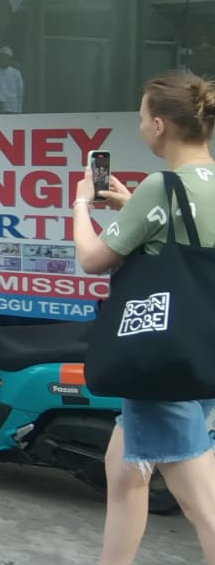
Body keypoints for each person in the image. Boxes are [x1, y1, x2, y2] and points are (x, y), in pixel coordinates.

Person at [71, 70, 215, 565]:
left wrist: (81, 204)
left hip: (160, 359)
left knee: (203, 504)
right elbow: (190, 241)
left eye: (140, 118)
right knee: (124, 470)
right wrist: (132, 207)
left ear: (159, 125)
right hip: (200, 352)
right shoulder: (197, 188)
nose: (139, 127)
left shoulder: (162, 187)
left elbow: (93, 259)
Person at [0, 45, 25, 113]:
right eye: (1, 57)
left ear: (10, 59)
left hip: (12, 107)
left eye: (6, 57)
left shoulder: (16, 73)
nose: (3, 59)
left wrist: (19, 110)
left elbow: (20, 93)